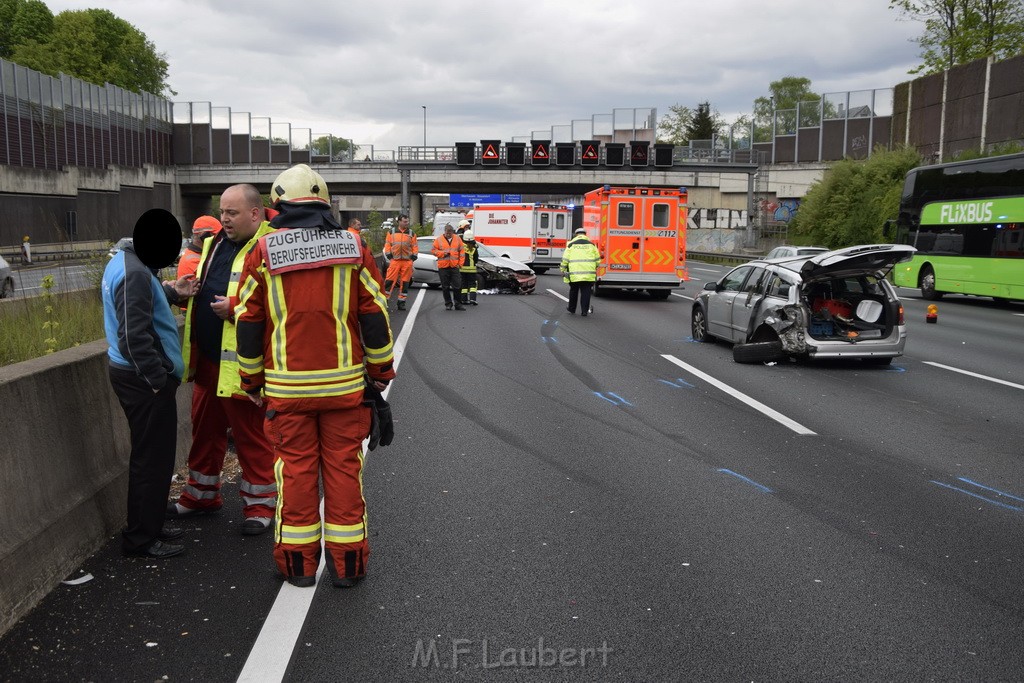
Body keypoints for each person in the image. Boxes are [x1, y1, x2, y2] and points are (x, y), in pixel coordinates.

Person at [235, 164, 396, 588]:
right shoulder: (353, 246)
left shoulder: (262, 253)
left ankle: (298, 567)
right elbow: (374, 314)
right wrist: (380, 373)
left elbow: (247, 323)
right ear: (325, 204)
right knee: (344, 472)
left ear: (276, 206)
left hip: (287, 392)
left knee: (296, 473)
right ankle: (349, 567)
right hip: (344, 389)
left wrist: (251, 382)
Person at [166, 185, 277, 535]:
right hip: (209, 361)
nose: (223, 219)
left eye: (232, 213)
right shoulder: (214, 243)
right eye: (222, 212)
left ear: (255, 213)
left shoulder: (271, 245)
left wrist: (235, 309)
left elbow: (279, 303)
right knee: (205, 431)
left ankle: (260, 505)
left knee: (251, 436)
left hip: (244, 364)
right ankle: (200, 495)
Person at [102, 208, 200, 559]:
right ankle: (141, 538)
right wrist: (158, 380)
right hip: (143, 381)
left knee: (155, 458)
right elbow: (133, 337)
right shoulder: (134, 274)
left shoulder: (130, 263)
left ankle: (151, 524)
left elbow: (143, 306)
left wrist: (174, 292)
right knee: (151, 460)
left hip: (136, 376)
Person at [560, 227, 601, 317]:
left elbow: (565, 259)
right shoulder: (592, 245)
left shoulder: (570, 244)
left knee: (574, 290)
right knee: (586, 292)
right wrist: (595, 266)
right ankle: (584, 311)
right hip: (588, 273)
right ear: (585, 235)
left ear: (576, 235)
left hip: (574, 273)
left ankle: (572, 309)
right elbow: (597, 259)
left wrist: (562, 269)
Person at [382, 214, 417, 310]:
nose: (407, 223)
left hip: (407, 261)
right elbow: (387, 244)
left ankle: (401, 302)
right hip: (395, 261)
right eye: (405, 221)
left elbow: (414, 246)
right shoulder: (391, 232)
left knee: (405, 283)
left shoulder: (411, 233)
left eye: (407, 221)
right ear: (399, 222)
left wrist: (414, 257)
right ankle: (385, 301)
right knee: (389, 281)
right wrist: (389, 256)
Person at [432, 223, 465, 311]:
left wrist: (460, 264)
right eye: (447, 233)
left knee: (457, 286)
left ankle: (458, 304)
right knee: (445, 287)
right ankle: (448, 303)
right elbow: (433, 250)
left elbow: (462, 252)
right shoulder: (438, 240)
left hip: (454, 266)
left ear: (452, 232)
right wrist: (443, 253)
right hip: (443, 267)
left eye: (450, 233)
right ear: (445, 232)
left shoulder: (457, 239)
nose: (449, 234)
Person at [177, 216, 222, 280]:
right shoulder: (193, 261)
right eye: (216, 235)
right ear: (204, 235)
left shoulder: (200, 254)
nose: (219, 240)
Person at [459, 227, 479, 305]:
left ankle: (464, 300)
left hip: (462, 269)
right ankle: (472, 299)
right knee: (472, 285)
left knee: (464, 285)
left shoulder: (461, 247)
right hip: (471, 270)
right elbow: (476, 259)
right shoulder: (474, 248)